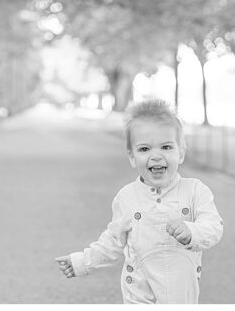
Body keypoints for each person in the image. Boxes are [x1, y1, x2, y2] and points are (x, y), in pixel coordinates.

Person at [55, 99, 224, 303]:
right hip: (139, 292)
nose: (156, 156)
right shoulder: (127, 197)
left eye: (166, 147)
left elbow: (213, 226)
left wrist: (191, 232)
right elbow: (111, 241)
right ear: (132, 157)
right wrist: (82, 262)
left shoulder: (196, 191)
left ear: (181, 153)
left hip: (182, 292)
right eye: (144, 149)